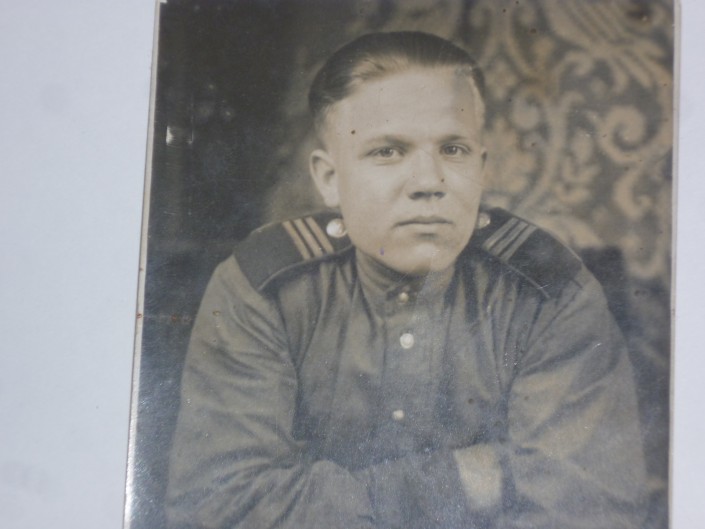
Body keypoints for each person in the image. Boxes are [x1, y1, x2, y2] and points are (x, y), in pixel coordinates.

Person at [165, 32, 647, 529]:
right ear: (329, 179)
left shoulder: (550, 294)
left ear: (482, 169)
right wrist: (463, 479)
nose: (429, 181)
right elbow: (220, 510)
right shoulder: (265, 289)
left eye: (453, 149)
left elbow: (591, 514)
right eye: (388, 152)